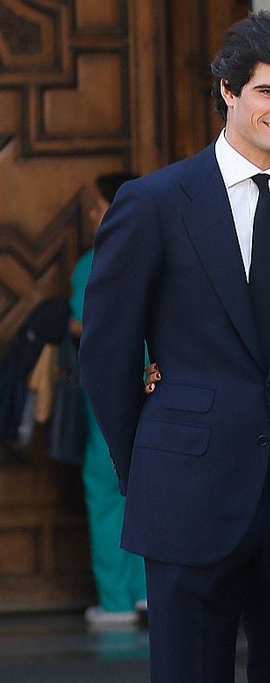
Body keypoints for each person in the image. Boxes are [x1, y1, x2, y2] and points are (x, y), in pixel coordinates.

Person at [79, 11, 270, 683]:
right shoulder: (154, 203)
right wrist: (144, 463)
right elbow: (106, 355)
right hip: (185, 495)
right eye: (269, 91)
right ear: (230, 90)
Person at [70, 172, 147, 628]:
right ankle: (147, 591)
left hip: (111, 393)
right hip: (163, 387)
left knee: (105, 490)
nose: (93, 217)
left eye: (97, 207)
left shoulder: (93, 262)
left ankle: (117, 601)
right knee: (152, 488)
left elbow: (87, 328)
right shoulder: (161, 250)